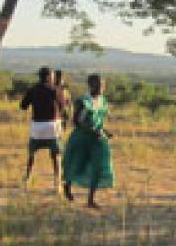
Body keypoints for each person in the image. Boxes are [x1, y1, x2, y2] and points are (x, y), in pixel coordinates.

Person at [62, 74, 114, 208]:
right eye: (98, 85)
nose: (101, 88)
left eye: (103, 85)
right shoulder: (83, 101)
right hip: (81, 137)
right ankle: (67, 185)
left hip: (97, 138)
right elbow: (76, 121)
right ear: (90, 85)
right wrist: (91, 130)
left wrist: (105, 131)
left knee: (98, 166)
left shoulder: (103, 101)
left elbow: (100, 121)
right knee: (76, 164)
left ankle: (90, 199)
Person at [21, 67, 64, 188]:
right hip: (52, 126)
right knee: (56, 155)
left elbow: (23, 106)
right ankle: (57, 182)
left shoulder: (33, 90)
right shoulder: (55, 90)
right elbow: (62, 106)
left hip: (37, 127)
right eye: (52, 76)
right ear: (48, 77)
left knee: (32, 154)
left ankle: (27, 178)